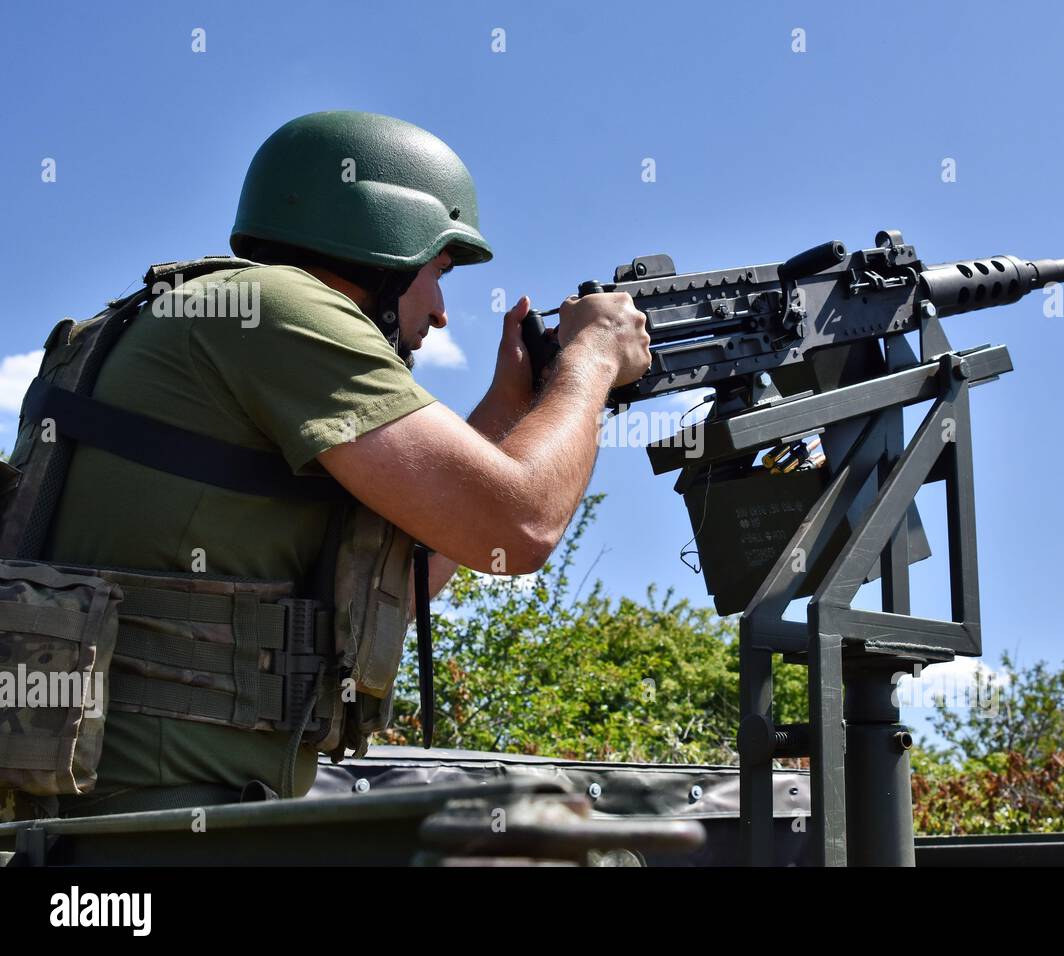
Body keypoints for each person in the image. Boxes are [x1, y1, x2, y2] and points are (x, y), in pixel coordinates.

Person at [2, 110, 648, 820]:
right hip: (166, 820)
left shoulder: (204, 314)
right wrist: (593, 362)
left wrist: (506, 409)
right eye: (437, 272)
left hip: (118, 815)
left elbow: (420, 563)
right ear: (386, 246)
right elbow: (521, 525)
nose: (438, 315)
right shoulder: (281, 310)